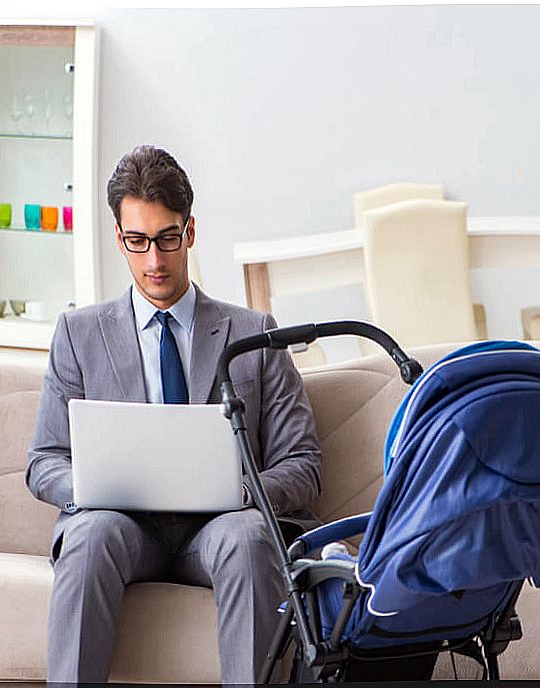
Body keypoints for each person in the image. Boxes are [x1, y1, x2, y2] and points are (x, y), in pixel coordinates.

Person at [26, 144, 322, 685]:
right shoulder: (79, 333)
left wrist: (241, 493)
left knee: (250, 537)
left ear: (190, 231)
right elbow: (43, 461)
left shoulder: (254, 333)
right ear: (119, 239)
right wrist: (92, 484)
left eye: (166, 239)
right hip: (121, 528)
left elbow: (303, 463)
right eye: (137, 242)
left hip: (218, 529)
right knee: (89, 536)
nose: (154, 261)